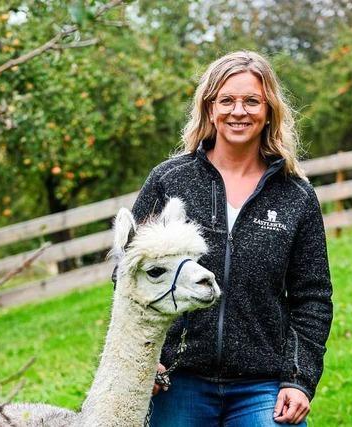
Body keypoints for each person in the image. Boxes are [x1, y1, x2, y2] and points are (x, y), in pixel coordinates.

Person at [129, 51, 333, 426]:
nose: (239, 111)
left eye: (251, 101)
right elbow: (129, 277)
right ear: (209, 108)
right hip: (177, 378)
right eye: (227, 100)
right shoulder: (169, 181)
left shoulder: (295, 196)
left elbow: (312, 298)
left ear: (269, 110)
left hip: (263, 385)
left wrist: (299, 380)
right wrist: (145, 358)